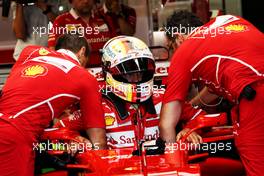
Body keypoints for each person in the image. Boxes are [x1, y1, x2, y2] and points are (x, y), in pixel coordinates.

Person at [159, 11, 264, 176]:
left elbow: (166, 124)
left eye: (171, 47)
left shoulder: (185, 50)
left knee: (255, 162)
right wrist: (190, 108)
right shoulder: (225, 23)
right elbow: (219, 81)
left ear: (179, 38)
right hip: (253, 86)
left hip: (256, 93)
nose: (173, 54)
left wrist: (172, 168)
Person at [54, 36, 205, 148]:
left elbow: (200, 118)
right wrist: (75, 140)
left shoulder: (163, 99)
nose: (136, 78)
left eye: (141, 72)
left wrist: (188, 130)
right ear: (110, 73)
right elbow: (60, 128)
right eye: (129, 73)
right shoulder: (96, 106)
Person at [0, 34, 106, 176]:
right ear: (82, 52)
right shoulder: (85, 77)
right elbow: (99, 141)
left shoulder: (29, 51)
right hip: (14, 135)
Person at [48, 0, 116, 66]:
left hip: (106, 71)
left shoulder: (105, 19)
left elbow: (116, 45)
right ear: (71, 1)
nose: (85, 1)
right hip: (76, 72)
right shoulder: (61, 21)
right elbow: (53, 51)